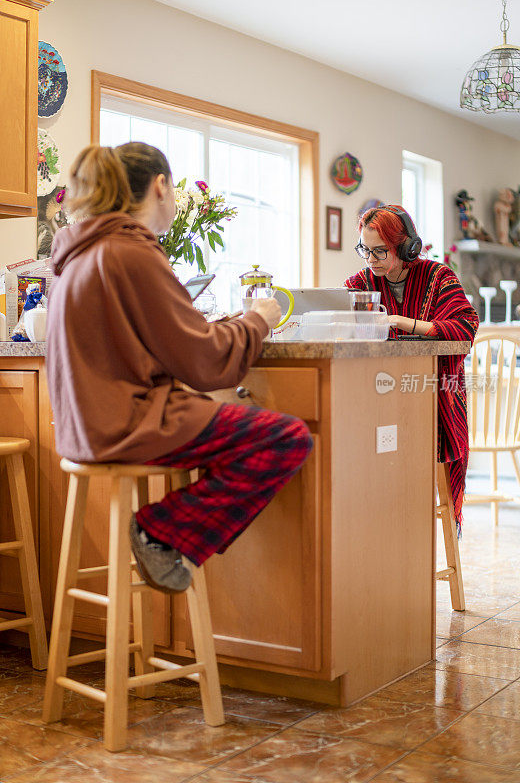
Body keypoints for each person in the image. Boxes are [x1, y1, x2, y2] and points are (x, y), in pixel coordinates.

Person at [46, 142, 313, 592]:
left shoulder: (81, 254)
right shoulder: (131, 252)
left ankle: (161, 533)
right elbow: (207, 363)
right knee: (285, 437)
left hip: (83, 431)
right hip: (128, 425)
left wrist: (224, 326)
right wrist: (258, 320)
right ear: (161, 186)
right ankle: (160, 530)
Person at [345, 205, 479, 532]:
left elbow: (466, 327)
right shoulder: (359, 283)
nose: (370, 259)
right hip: (377, 394)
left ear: (407, 248)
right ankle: (374, 529)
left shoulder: (438, 276)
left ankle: (405, 537)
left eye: (380, 251)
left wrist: (406, 323)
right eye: (365, 249)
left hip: (432, 395)